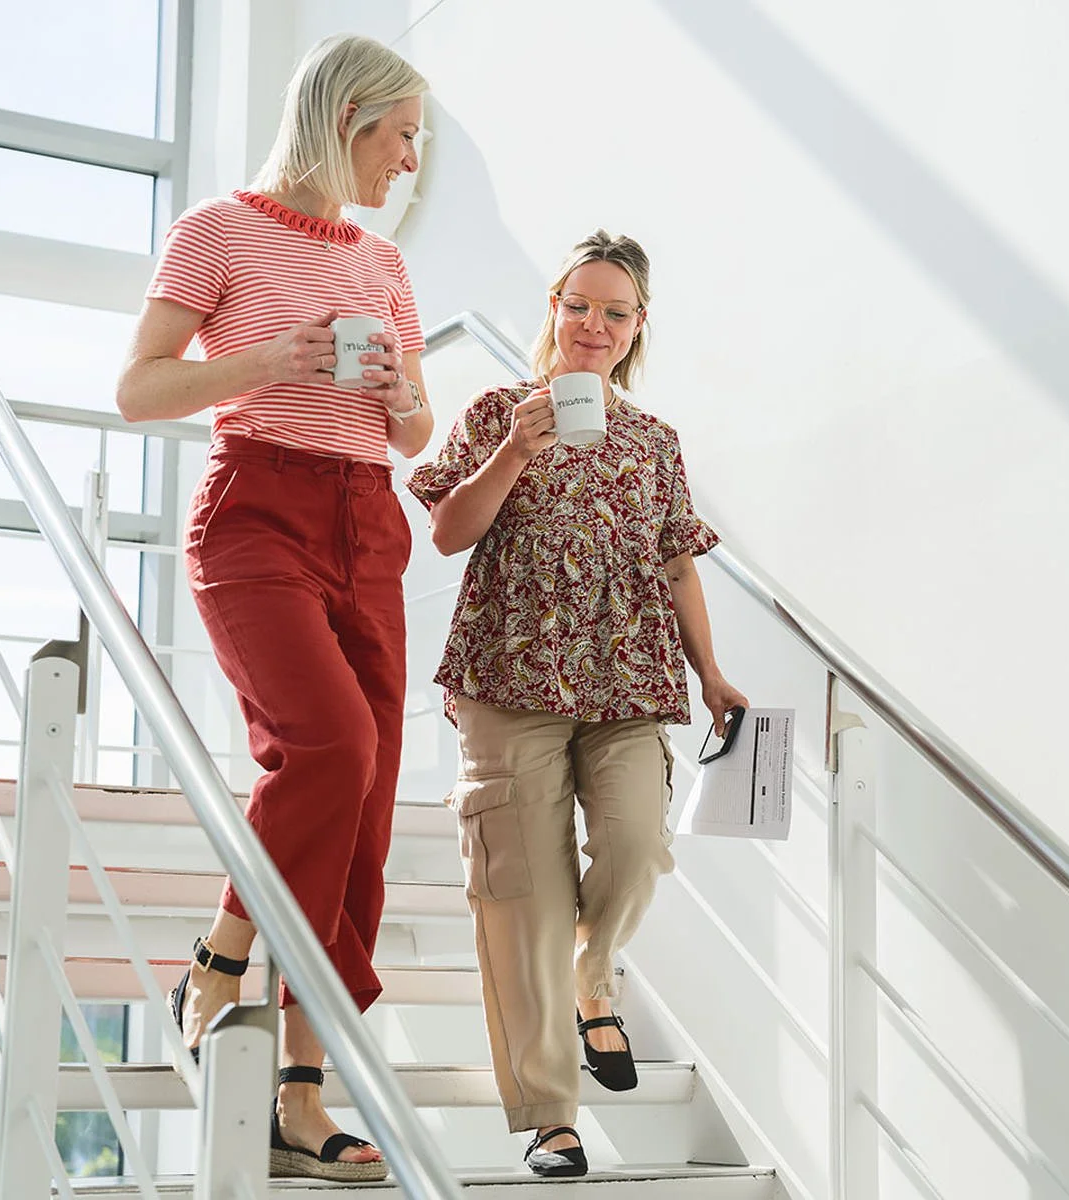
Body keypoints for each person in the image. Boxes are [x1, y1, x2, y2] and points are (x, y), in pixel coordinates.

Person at [115, 34, 432, 1185]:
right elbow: (140, 387)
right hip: (256, 510)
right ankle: (223, 952)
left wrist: (401, 396)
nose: (408, 160)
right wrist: (266, 360)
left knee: (363, 793)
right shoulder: (215, 230)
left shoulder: (383, 263)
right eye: (400, 135)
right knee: (329, 747)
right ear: (347, 118)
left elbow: (417, 432)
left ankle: (300, 1087)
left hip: (367, 517)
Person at [408, 230, 748, 1178]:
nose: (594, 325)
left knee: (639, 844)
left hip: (628, 678)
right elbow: (447, 533)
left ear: (637, 330)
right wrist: (517, 448)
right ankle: (550, 1116)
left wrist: (711, 672)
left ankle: (594, 974)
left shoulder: (654, 443)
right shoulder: (493, 414)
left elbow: (677, 562)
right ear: (554, 308)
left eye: (616, 312)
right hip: (509, 676)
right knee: (524, 900)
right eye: (580, 305)